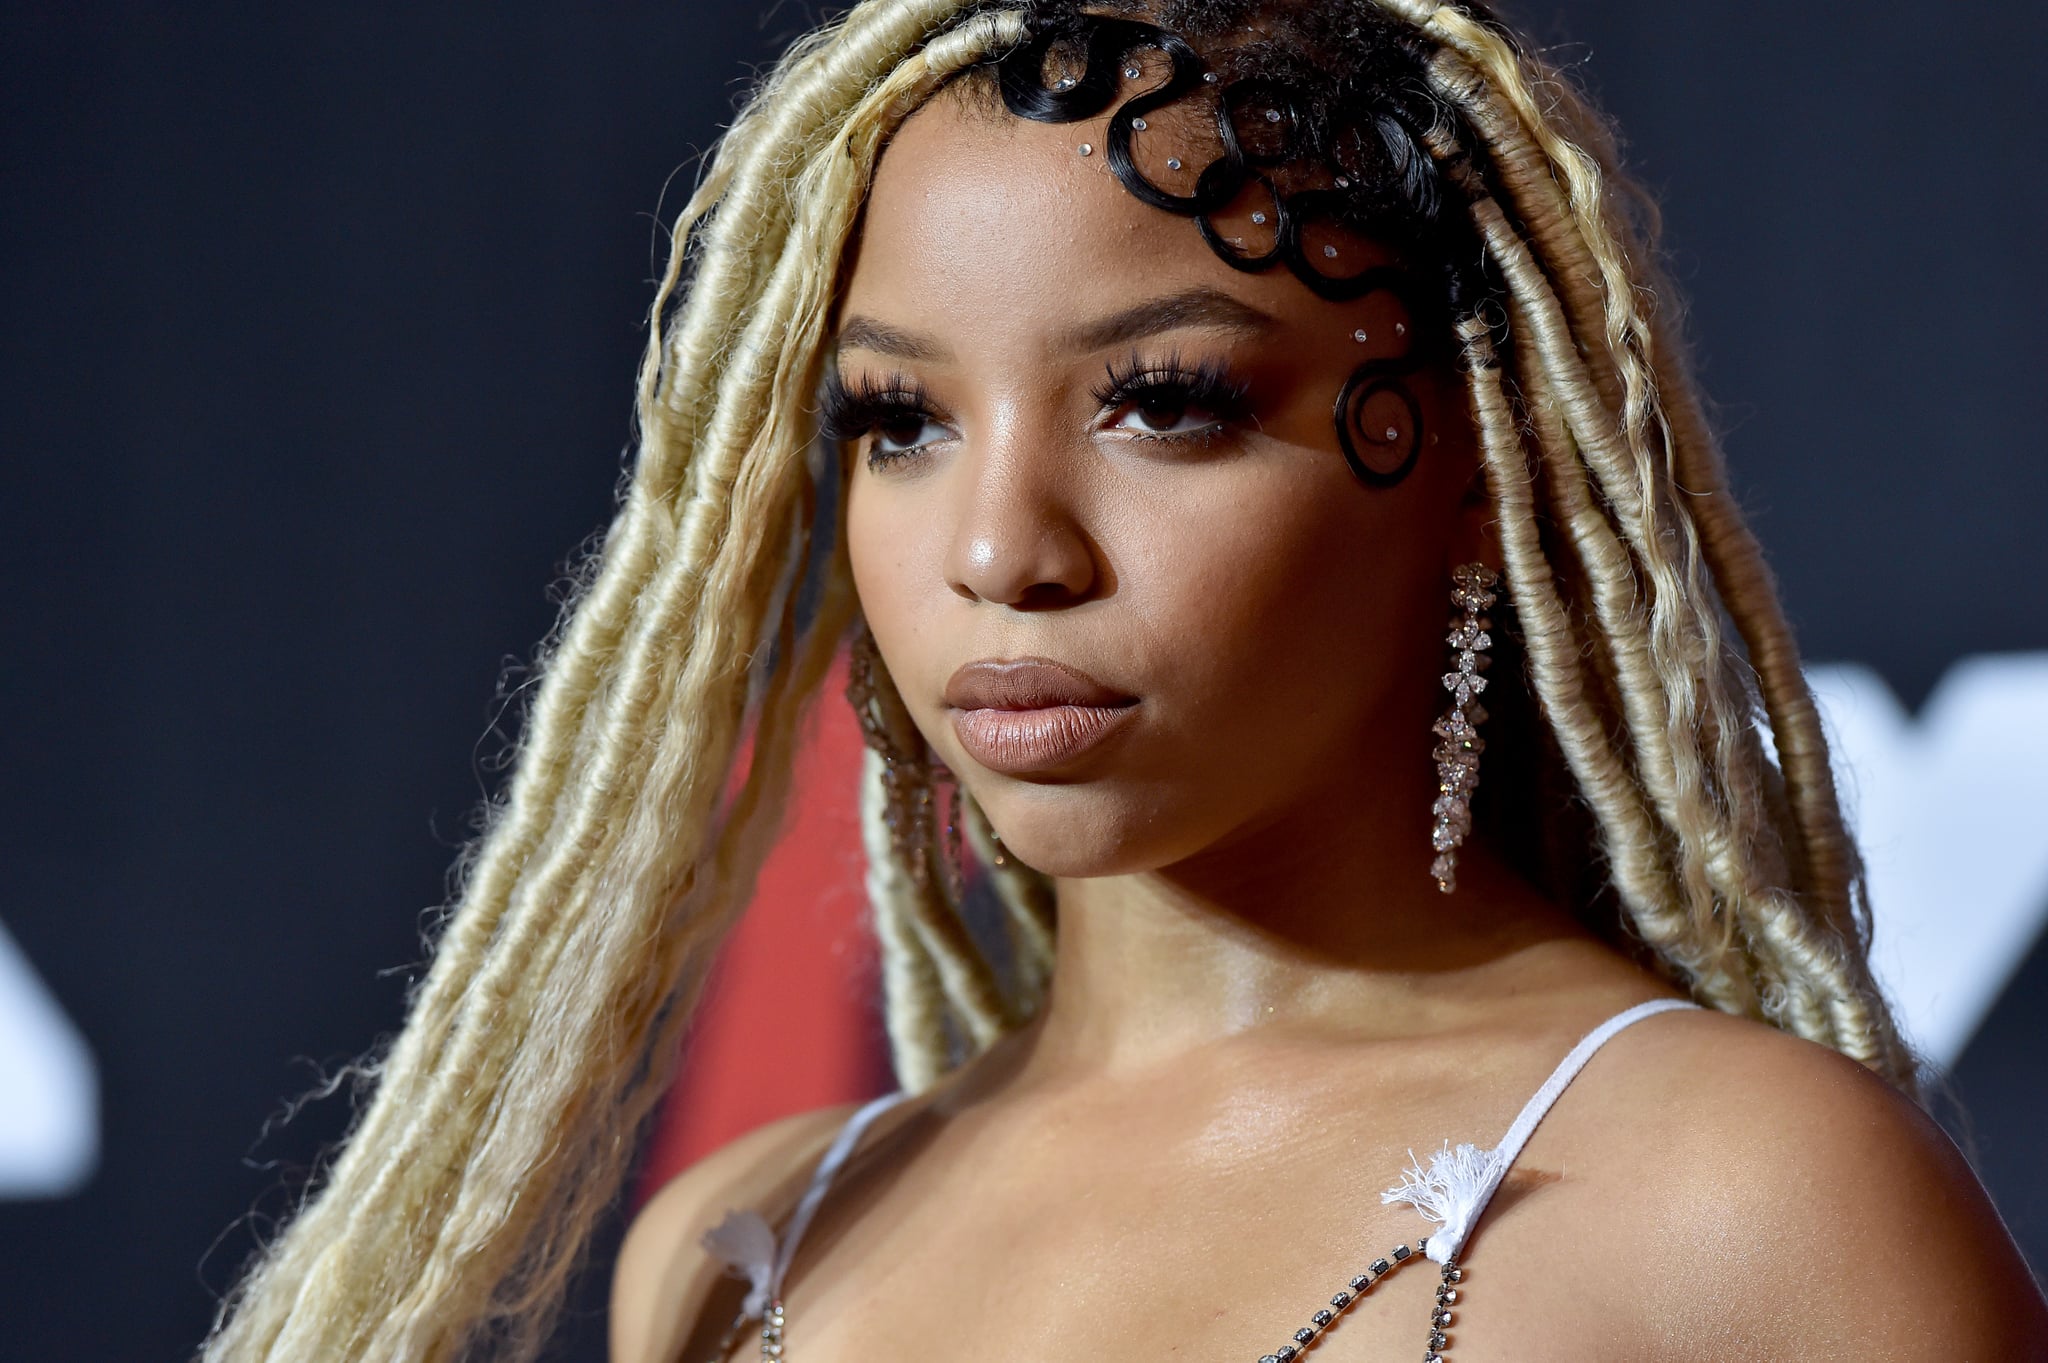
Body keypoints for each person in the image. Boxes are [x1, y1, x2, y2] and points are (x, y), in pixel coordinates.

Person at [199, 3, 2048, 1361]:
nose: (1000, 546)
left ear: (1484, 474)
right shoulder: (731, 1241)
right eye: (898, 420)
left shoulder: (1760, 1212)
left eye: (1168, 400)